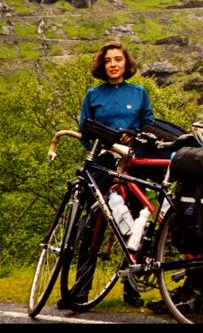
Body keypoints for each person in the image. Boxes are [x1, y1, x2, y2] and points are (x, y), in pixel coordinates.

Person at [60, 41, 153, 310]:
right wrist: (100, 149)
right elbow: (84, 132)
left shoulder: (139, 93)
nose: (113, 64)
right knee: (91, 224)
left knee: (137, 223)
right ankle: (80, 289)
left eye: (118, 59)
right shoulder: (93, 94)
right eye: (109, 60)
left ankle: (132, 287)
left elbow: (148, 123)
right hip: (100, 164)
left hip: (132, 163)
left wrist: (133, 136)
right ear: (103, 65)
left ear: (126, 64)